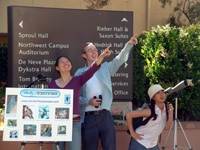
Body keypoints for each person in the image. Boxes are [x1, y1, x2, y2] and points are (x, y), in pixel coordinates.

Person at [74, 35, 138, 150]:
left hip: (105, 116)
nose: (94, 52)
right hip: (88, 118)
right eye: (90, 50)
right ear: (84, 55)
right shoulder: (80, 73)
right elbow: (74, 96)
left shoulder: (105, 68)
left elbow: (119, 60)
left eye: (95, 50)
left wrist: (128, 45)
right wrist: (88, 101)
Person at [48, 46, 111, 150]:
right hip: (56, 123)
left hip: (74, 123)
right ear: (57, 68)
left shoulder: (78, 80)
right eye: (62, 62)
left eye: (67, 61)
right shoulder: (52, 84)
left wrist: (102, 56)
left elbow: (93, 68)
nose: (66, 63)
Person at [126, 84, 174, 150]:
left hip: (153, 144)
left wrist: (171, 114)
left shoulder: (166, 109)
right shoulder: (149, 111)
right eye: (158, 93)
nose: (162, 94)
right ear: (153, 97)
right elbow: (129, 115)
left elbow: (168, 127)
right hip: (139, 143)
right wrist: (132, 133)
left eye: (162, 92)